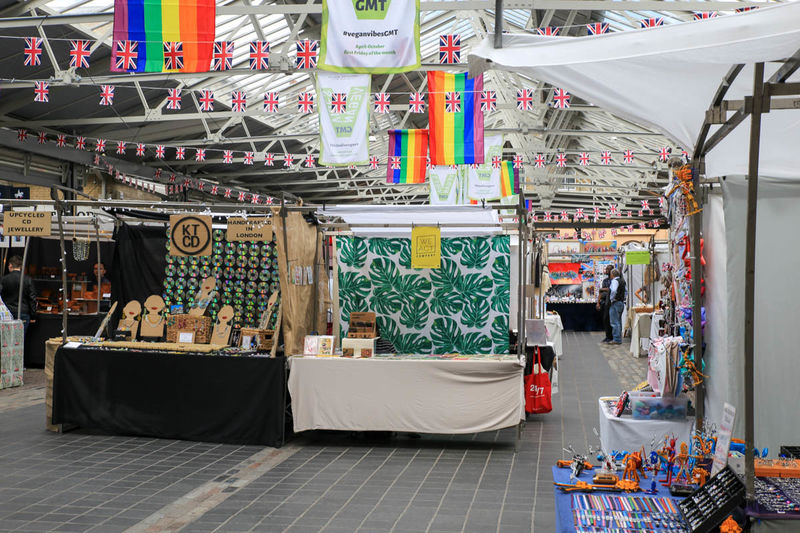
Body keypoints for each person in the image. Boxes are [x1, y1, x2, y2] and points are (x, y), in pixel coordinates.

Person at [1, 255, 37, 333]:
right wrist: (33, 315)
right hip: (23, 313)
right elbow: (32, 298)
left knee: (6, 339)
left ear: (10, 265)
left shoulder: (3, 280)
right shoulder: (28, 279)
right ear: (21, 266)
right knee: (20, 339)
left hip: (7, 313)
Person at [608, 269, 626, 345]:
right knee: (618, 321)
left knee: (614, 321)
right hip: (621, 302)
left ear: (612, 274)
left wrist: (611, 298)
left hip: (615, 302)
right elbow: (626, 291)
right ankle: (618, 337)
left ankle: (616, 339)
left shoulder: (615, 281)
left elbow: (614, 290)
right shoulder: (622, 281)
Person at [597, 264, 614, 343]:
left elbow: (611, 290)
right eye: (606, 269)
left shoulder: (614, 281)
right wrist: (598, 303)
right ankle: (608, 336)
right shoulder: (605, 281)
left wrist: (604, 289)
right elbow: (601, 291)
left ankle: (612, 336)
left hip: (612, 302)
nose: (606, 271)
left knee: (611, 320)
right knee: (605, 319)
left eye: (608, 269)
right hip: (605, 302)